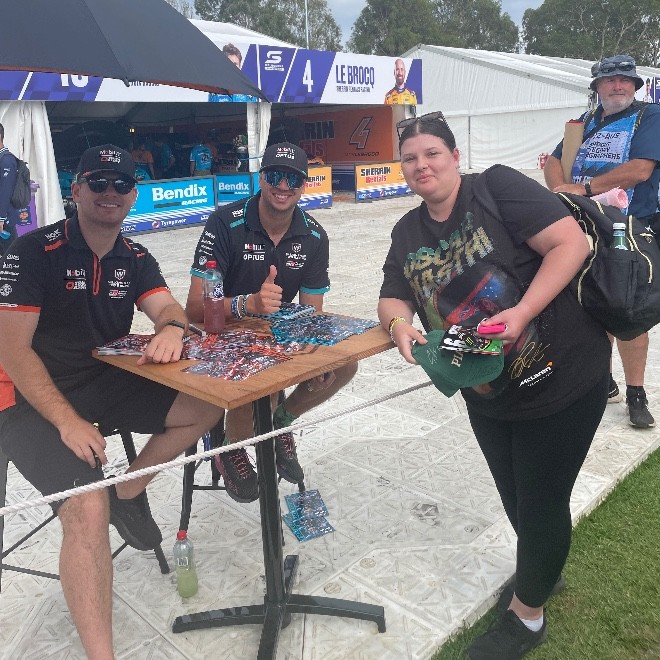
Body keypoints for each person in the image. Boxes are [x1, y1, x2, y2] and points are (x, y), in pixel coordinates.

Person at [379, 112, 610, 659]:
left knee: (541, 500)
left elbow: (570, 244)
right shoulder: (407, 231)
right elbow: (392, 294)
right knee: (516, 497)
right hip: (485, 389)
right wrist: (399, 325)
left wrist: (523, 311)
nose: (421, 165)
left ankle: (528, 619)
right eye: (410, 158)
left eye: (432, 153)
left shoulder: (496, 188)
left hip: (562, 375)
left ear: (455, 157)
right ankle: (541, 571)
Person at [0, 145, 223, 658]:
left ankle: (129, 489)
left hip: (99, 378)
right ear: (76, 190)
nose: (110, 192)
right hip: (26, 397)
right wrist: (67, 422)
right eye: (98, 182)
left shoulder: (135, 256)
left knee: (206, 405)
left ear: (133, 194)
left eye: (121, 184)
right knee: (85, 506)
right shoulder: (33, 252)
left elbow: (168, 308)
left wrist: (171, 329)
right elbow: (12, 352)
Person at [185, 142, 357, 503]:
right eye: (275, 176)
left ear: (304, 185)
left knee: (344, 364)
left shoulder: (314, 235)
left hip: (275, 334)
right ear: (261, 178)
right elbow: (194, 309)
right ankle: (230, 446)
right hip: (221, 333)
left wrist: (318, 360)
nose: (283, 186)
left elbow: (312, 315)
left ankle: (281, 422)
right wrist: (247, 304)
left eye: (293, 179)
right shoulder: (224, 222)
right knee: (256, 369)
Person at [544, 54, 660, 429]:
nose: (618, 85)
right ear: (597, 87)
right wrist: (562, 191)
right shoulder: (584, 122)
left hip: (631, 227)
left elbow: (641, 169)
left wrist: (586, 188)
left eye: (625, 80)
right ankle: (603, 380)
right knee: (591, 306)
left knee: (628, 312)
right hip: (586, 226)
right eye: (609, 80)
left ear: (635, 86)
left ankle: (636, 393)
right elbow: (553, 162)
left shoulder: (649, 116)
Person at [0, 122, 20, 254]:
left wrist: (1, 218)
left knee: (10, 255)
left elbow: (5, 191)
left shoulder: (6, 160)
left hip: (5, 218)